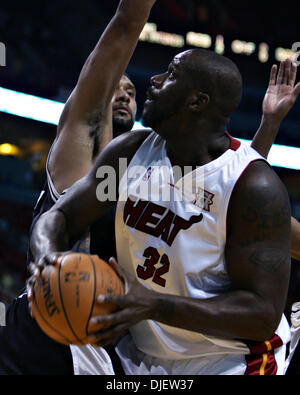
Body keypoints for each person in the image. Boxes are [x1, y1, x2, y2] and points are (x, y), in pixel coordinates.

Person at [30, 43, 297, 375]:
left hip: (228, 360)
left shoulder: (256, 188)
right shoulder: (130, 154)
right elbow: (59, 217)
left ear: (197, 101)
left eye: (170, 73)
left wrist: (155, 305)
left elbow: (261, 316)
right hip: (141, 354)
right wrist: (47, 263)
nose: (153, 80)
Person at [0, 0, 156, 376]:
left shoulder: (144, 178)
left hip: (106, 344)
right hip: (50, 330)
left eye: (131, 91)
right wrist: (134, 13)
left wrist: (267, 124)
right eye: (114, 88)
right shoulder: (78, 156)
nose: (122, 94)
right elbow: (120, 34)